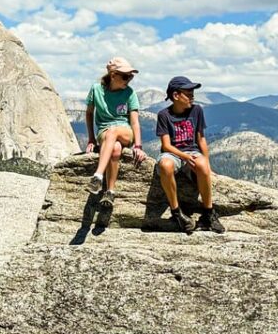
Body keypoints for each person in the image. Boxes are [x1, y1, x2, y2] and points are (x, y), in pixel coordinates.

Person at [155, 76, 225, 234]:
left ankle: (208, 213)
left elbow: (201, 139)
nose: (192, 96)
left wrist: (206, 164)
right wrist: (185, 157)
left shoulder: (197, 110)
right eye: (188, 93)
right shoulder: (164, 115)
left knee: (201, 165)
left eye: (192, 93)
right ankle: (177, 213)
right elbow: (166, 145)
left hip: (192, 151)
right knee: (165, 165)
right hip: (173, 153)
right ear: (175, 95)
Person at [84, 57, 147, 210]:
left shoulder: (130, 93)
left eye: (131, 76)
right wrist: (91, 138)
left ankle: (98, 176)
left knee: (113, 131)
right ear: (113, 75)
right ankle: (110, 192)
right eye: (125, 76)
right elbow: (89, 113)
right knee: (116, 149)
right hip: (104, 132)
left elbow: (134, 122)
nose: (129, 80)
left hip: (125, 131)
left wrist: (138, 145)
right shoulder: (96, 89)